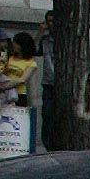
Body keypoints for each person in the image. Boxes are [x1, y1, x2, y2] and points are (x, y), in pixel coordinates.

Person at [36, 12, 54, 152]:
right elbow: (34, 51)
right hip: (48, 83)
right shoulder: (45, 40)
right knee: (47, 113)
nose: (50, 25)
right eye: (48, 22)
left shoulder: (66, 39)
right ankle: (48, 143)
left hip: (61, 84)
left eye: (53, 21)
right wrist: (40, 33)